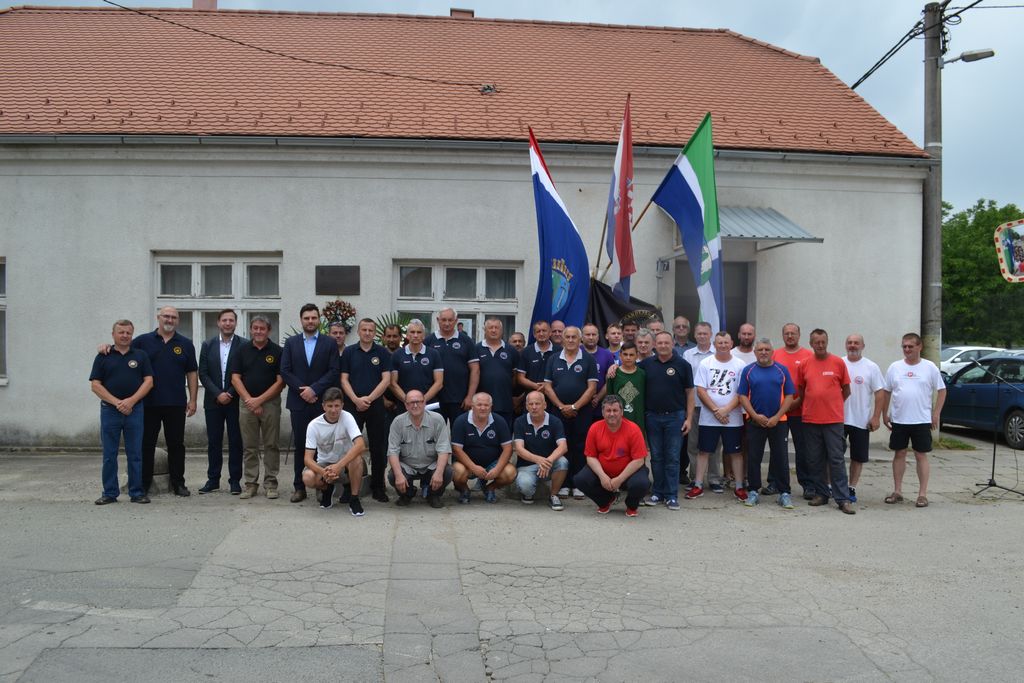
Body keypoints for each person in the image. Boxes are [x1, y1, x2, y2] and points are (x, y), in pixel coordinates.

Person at [134, 306, 199, 496]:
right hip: (148, 403)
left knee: (176, 445)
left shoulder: (186, 344)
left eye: (173, 317)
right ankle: (144, 483)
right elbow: (123, 351)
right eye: (166, 316)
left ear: (177, 320)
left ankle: (178, 483)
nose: (169, 320)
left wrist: (193, 399)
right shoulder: (142, 341)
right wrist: (106, 347)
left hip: (176, 403)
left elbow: (192, 373)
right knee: (146, 444)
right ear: (158, 318)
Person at [280, 303, 341, 503]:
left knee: (323, 446)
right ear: (301, 320)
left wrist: (314, 389)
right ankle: (299, 487)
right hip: (299, 403)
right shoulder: (291, 343)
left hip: (321, 402)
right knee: (301, 445)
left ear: (319, 320)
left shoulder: (329, 343)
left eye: (314, 317)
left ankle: (322, 485)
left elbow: (334, 370)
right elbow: (285, 370)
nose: (310, 321)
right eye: (306, 318)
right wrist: (303, 391)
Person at [90, 319, 153, 505]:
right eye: (121, 332)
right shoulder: (103, 356)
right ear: (113, 334)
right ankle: (109, 493)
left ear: (132, 334)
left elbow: (149, 381)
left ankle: (137, 492)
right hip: (110, 411)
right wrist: (117, 402)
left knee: (135, 454)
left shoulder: (140, 355)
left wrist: (131, 401)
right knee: (109, 454)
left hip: (135, 410)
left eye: (128, 333)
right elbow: (95, 385)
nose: (125, 336)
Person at [880, 333, 946, 508]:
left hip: (921, 419)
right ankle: (897, 491)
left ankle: (922, 494)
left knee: (920, 455)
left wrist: (936, 414)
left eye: (910, 346)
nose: (907, 349)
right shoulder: (895, 367)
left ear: (919, 347)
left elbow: (942, 390)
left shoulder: (929, 367)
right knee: (899, 453)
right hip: (899, 419)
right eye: (904, 346)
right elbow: (886, 391)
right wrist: (884, 414)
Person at [797, 329, 855, 514]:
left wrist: (832, 404)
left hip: (833, 420)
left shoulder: (838, 362)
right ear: (811, 344)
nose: (820, 345)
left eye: (823, 342)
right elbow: (801, 390)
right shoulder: (804, 364)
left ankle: (842, 498)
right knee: (814, 459)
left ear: (827, 342)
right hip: (811, 419)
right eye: (817, 342)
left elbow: (846, 390)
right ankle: (821, 493)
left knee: (836, 459)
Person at [736, 338, 796, 509]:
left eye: (767, 349)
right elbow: (742, 396)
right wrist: (754, 415)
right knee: (754, 457)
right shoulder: (748, 370)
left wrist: (777, 416)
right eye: (760, 350)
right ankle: (753, 491)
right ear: (755, 352)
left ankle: (784, 493)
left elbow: (790, 396)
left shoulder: (782, 370)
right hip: (755, 422)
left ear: (772, 352)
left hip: (779, 422)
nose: (763, 352)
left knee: (781, 457)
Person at [230, 315, 285, 500]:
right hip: (247, 404)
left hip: (270, 404)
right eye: (255, 328)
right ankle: (250, 484)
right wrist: (250, 400)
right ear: (250, 329)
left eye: (262, 328)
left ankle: (271, 484)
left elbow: (280, 382)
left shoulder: (277, 351)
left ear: (269, 330)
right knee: (249, 446)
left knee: (271, 445)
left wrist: (259, 400)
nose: (259, 331)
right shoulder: (241, 350)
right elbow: (235, 378)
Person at [688, 331, 747, 502]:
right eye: (719, 343)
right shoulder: (706, 363)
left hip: (732, 418)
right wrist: (716, 410)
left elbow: (741, 392)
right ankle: (698, 485)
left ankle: (739, 487)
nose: (723, 345)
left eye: (726, 342)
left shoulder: (740, 364)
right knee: (704, 451)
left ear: (731, 344)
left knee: (735, 453)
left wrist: (726, 410)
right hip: (709, 418)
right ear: (715, 344)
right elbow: (701, 390)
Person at [340, 317, 394, 503]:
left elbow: (386, 380)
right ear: (358, 332)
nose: (367, 333)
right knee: (350, 447)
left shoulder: (382, 353)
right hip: (352, 406)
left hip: (375, 406)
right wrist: (356, 399)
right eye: (364, 330)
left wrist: (369, 399)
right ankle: (349, 487)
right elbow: (344, 379)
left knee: (378, 447)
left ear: (375, 333)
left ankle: (378, 486)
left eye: (371, 330)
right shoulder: (349, 352)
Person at [640, 330, 694, 509]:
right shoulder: (646, 364)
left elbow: (690, 393)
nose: (663, 346)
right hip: (652, 417)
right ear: (654, 345)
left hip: (675, 417)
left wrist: (689, 419)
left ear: (672, 344)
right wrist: (613, 368)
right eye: (660, 343)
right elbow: (629, 371)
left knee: (672, 457)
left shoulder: (683, 365)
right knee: (656, 457)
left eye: (666, 343)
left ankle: (671, 495)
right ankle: (657, 493)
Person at [543, 326, 598, 498]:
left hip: (583, 411)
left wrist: (575, 407)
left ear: (580, 340)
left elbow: (592, 388)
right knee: (561, 446)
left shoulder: (588, 359)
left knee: (581, 447)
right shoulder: (553, 359)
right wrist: (561, 406)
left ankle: (578, 484)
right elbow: (547, 387)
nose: (571, 340)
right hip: (558, 411)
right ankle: (564, 484)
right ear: (562, 339)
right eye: (567, 337)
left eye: (574, 337)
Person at [575, 395, 650, 517]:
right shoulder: (594, 428)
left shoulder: (633, 429)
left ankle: (631, 505)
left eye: (615, 410)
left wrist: (619, 479)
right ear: (602, 413)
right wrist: (602, 476)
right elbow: (590, 457)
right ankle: (605, 500)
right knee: (580, 480)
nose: (612, 414)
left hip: (628, 473)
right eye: (608, 410)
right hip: (604, 472)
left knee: (641, 483)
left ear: (622, 412)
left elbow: (639, 460)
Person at [197, 309, 245, 495]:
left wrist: (230, 393)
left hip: (235, 401)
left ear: (235, 323)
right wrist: (218, 393)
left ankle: (235, 480)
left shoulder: (244, 345)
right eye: (224, 320)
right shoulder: (207, 345)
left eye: (231, 320)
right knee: (214, 442)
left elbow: (244, 373)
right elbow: (203, 373)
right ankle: (213, 479)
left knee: (236, 441)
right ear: (218, 323)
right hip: (213, 401)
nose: (227, 323)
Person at [301, 387, 366, 516]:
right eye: (330, 406)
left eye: (337, 406)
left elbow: (360, 445)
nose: (333, 410)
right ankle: (327, 489)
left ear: (342, 405)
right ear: (323, 406)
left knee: (357, 458)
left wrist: (338, 466)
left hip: (344, 464)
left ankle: (354, 498)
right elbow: (307, 459)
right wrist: (324, 472)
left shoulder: (347, 417)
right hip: (324, 465)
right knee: (307, 477)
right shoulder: (314, 425)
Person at [387, 390, 453, 508]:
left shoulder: (437, 419)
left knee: (447, 472)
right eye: (411, 402)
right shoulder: (397, 422)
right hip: (407, 466)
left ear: (424, 403)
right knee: (393, 475)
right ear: (406, 405)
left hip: (431, 465)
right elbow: (392, 451)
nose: (415, 405)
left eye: (418, 402)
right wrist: (398, 474)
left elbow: (443, 449)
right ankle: (407, 494)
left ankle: (433, 495)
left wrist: (438, 473)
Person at [772, 323, 814, 498]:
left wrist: (797, 402)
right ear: (783, 335)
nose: (790, 336)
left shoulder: (808, 355)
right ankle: (774, 482)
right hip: (778, 412)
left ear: (799, 335)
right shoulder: (775, 354)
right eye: (786, 333)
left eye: (793, 333)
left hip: (800, 410)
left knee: (803, 449)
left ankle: (807, 484)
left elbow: (810, 383)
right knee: (777, 448)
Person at [451, 392, 516, 503]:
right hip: (468, 465)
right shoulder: (461, 421)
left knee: (510, 473)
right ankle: (464, 490)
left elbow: (508, 448)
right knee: (457, 472)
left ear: (491, 406)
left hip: (493, 463)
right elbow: (456, 449)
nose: (483, 408)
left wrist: (497, 469)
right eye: (479, 405)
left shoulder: (499, 421)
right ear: (472, 405)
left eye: (486, 405)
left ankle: (490, 488)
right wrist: (474, 468)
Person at [843, 333, 884, 502]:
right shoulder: (839, 363)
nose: (853, 345)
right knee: (833, 455)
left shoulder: (871, 367)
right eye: (850, 342)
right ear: (846, 345)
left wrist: (876, 417)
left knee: (857, 457)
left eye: (856, 343)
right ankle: (831, 486)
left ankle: (851, 488)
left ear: (863, 346)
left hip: (861, 421)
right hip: (839, 419)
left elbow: (880, 393)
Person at [513, 391, 569, 509]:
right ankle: (528, 494)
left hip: (548, 465)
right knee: (525, 486)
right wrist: (539, 460)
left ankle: (553, 495)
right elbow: (519, 449)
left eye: (537, 404)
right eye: (531, 404)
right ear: (526, 406)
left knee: (563, 462)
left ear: (545, 405)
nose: (534, 407)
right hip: (527, 466)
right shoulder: (519, 421)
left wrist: (548, 461)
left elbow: (563, 446)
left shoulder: (555, 421)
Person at [426, 307, 479, 426]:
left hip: (460, 399)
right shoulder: (428, 341)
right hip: (434, 399)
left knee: (459, 433)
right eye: (443, 320)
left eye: (450, 320)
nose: (447, 323)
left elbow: (475, 370)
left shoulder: (466, 341)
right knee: (434, 434)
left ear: (456, 321)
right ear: (438, 320)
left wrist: (470, 396)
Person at [683, 322, 718, 489]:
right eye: (699, 333)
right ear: (695, 335)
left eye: (705, 333)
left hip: (714, 406)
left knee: (714, 445)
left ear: (711, 334)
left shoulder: (718, 353)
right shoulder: (688, 354)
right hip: (695, 405)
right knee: (693, 443)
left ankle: (714, 479)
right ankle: (694, 478)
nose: (702, 336)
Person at [475, 318, 520, 428]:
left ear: (502, 330)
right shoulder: (476, 349)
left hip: (505, 402)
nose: (494, 330)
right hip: (481, 404)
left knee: (504, 433)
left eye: (497, 328)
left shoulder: (511, 350)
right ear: (485, 330)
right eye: (490, 327)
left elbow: (516, 376)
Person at [390, 318, 444, 405]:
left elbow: (439, 383)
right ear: (407, 335)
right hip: (404, 405)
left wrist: (422, 401)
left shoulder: (434, 354)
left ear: (424, 335)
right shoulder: (397, 355)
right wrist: (408, 401)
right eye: (412, 332)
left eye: (419, 332)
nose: (415, 335)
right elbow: (392, 383)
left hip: (428, 404)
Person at [606, 342, 646, 435]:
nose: (628, 357)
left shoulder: (642, 374)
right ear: (620, 355)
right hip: (618, 420)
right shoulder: (613, 374)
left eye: (631, 355)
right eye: (625, 354)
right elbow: (609, 399)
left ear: (637, 356)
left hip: (638, 419)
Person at [517, 320, 560, 395]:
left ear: (550, 333)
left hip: (554, 396)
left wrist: (547, 386)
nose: (541, 334)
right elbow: (520, 378)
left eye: (544, 331)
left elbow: (563, 375)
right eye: (538, 331)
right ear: (534, 334)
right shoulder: (526, 352)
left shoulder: (559, 351)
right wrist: (537, 386)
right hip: (532, 396)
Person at [582, 323, 615, 415]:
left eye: (594, 334)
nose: (591, 337)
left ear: (598, 337)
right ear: (582, 337)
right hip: (578, 404)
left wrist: (597, 398)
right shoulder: (576, 352)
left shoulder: (607, 355)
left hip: (599, 405)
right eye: (588, 334)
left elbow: (609, 381)